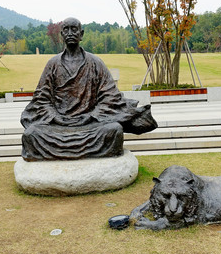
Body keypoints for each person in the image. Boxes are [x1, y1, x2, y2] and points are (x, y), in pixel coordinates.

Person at [20, 17, 157, 161]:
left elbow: (110, 97)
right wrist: (55, 117)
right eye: (66, 29)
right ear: (61, 35)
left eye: (74, 29)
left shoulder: (95, 63)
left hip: (90, 124)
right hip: (58, 125)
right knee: (31, 134)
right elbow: (42, 99)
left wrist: (92, 115)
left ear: (81, 34)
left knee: (114, 130)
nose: (70, 33)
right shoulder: (53, 64)